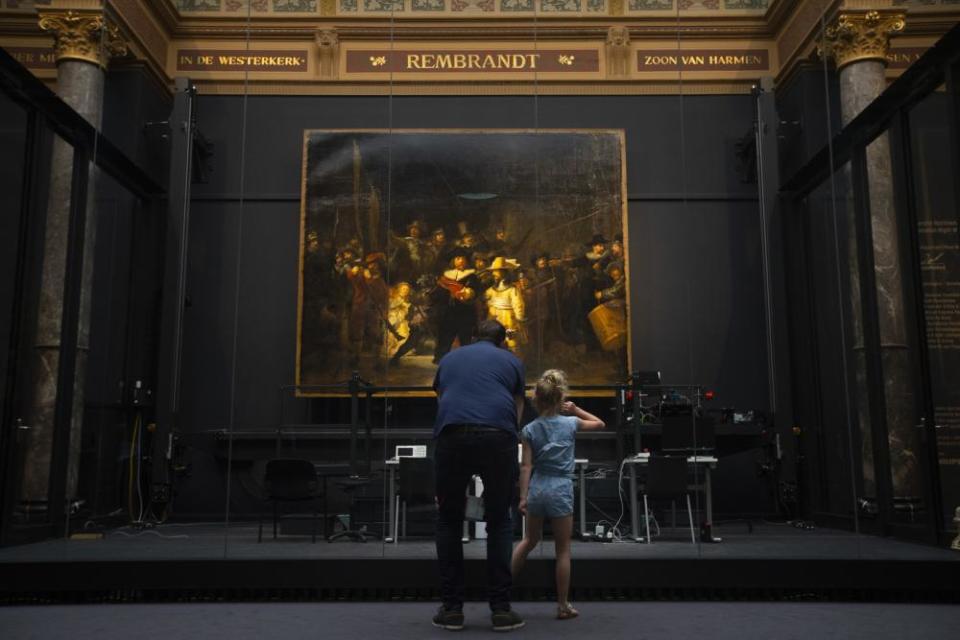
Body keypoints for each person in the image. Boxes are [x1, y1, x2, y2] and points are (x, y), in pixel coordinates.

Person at [432, 319, 526, 632]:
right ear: (501, 341)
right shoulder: (512, 360)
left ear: (473, 337)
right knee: (499, 520)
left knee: (448, 518)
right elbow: (517, 406)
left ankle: (452, 610)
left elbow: (442, 397)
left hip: (453, 432)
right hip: (498, 435)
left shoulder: (449, 358)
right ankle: (500, 610)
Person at [510, 369, 605, 621]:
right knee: (563, 551)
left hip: (538, 489)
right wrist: (575, 410)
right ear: (561, 398)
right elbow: (600, 424)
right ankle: (562, 606)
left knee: (529, 540)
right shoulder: (571, 423)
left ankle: (501, 593)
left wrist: (522, 497)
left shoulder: (529, 429)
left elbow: (526, 467)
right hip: (560, 489)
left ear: (537, 400)